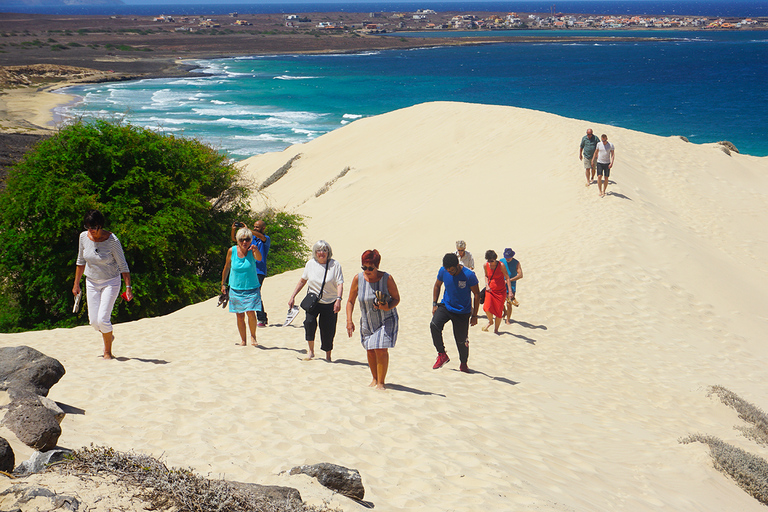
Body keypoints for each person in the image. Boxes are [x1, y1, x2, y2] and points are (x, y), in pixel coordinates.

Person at [72, 209, 132, 360]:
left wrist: (128, 287)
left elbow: (123, 265)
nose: (90, 230)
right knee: (94, 322)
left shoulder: (112, 241)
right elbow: (80, 261)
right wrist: (76, 284)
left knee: (103, 319)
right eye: (87, 227)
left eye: (93, 227)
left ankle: (107, 352)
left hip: (110, 281)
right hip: (91, 281)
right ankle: (108, 335)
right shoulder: (83, 237)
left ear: (100, 225)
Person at [346, 249, 400, 390]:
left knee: (380, 349)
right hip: (367, 320)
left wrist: (387, 306)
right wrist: (349, 321)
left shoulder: (387, 279)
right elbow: (350, 301)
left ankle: (381, 383)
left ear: (377, 266)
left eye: (371, 268)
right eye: (364, 267)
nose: (367, 271)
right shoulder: (358, 279)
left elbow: (396, 299)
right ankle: (375, 379)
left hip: (386, 319)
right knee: (370, 350)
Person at [288, 240, 344, 361]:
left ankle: (328, 355)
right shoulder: (310, 264)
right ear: (315, 252)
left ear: (328, 252)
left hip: (330, 302)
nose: (321, 253)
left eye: (324, 250)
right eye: (319, 250)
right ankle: (311, 351)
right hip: (313, 301)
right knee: (309, 323)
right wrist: (293, 296)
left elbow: (340, 283)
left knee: (328, 329)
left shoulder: (335, 265)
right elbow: (302, 280)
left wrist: (338, 299)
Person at [430, 253, 480, 373]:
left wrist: (474, 315)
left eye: (452, 270)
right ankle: (442, 354)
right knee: (434, 325)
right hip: (446, 305)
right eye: (448, 270)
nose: (450, 272)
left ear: (457, 265)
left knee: (461, 340)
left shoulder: (469, 275)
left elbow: (477, 294)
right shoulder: (443, 271)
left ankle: (463, 363)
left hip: (462, 311)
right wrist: (434, 304)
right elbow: (437, 285)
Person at [221, 227, 263, 347]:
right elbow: (227, 267)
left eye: (247, 239)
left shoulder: (252, 250)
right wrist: (223, 283)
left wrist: (255, 250)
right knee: (239, 315)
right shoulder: (232, 251)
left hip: (251, 288)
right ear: (237, 240)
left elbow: (259, 258)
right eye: (241, 239)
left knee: (250, 312)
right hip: (236, 288)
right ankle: (243, 340)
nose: (244, 242)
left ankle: (253, 337)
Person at [231, 220, 270, 327]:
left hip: (260, 270)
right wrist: (234, 230)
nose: (255, 228)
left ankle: (262, 318)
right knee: (253, 293)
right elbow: (235, 239)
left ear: (263, 228)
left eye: (257, 227)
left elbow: (262, 237)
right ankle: (261, 317)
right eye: (254, 227)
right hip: (250, 270)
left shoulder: (265, 239)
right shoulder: (251, 239)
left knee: (256, 293)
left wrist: (247, 229)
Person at [481, 250, 511, 334]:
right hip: (490, 290)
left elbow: (507, 277)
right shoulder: (485, 265)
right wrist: (486, 285)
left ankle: (496, 330)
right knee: (486, 307)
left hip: (501, 291)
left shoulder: (501, 265)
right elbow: (486, 276)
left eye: (492, 261)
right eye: (488, 261)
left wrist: (510, 291)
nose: (490, 262)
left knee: (498, 311)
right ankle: (490, 321)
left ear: (495, 259)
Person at [501, 248, 524, 325]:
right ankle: (504, 312)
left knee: (509, 303)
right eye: (506, 257)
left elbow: (520, 275)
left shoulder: (516, 263)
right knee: (500, 302)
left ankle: (508, 319)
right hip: (501, 284)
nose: (507, 259)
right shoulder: (501, 261)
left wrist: (509, 280)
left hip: (511, 286)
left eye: (509, 257)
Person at [592, 133, 615, 198]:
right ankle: (600, 191)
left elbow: (612, 154)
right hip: (600, 162)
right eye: (602, 140)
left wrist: (611, 163)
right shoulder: (599, 144)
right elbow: (596, 152)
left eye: (605, 140)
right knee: (599, 176)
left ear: (607, 139)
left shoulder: (610, 145)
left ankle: (604, 191)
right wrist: (593, 160)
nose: (604, 142)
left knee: (606, 177)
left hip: (607, 163)